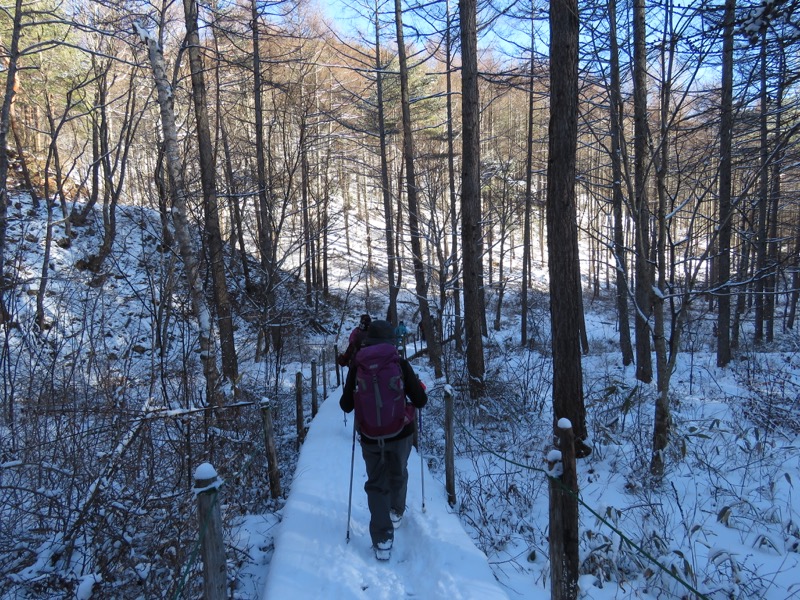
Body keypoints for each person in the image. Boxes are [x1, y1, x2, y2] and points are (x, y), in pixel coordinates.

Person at [339, 319, 428, 560]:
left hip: (369, 435)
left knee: (376, 484)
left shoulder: (358, 366)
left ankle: (382, 540)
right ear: (392, 341)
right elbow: (420, 401)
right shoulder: (399, 363)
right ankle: (396, 512)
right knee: (398, 472)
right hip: (400, 433)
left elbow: (345, 405)